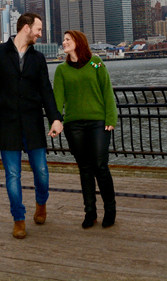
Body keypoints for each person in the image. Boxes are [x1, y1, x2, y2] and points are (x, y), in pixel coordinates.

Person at [0, 12, 63, 239]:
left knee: (42, 171)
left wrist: (56, 118)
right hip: (7, 123)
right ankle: (18, 219)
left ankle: (41, 203)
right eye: (38, 28)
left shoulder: (38, 59)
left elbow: (46, 90)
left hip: (34, 122)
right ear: (26, 27)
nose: (40, 33)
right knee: (13, 175)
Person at [53, 30, 118, 229]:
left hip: (98, 122)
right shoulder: (61, 70)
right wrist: (55, 122)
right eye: (63, 39)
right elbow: (57, 100)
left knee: (100, 165)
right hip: (74, 126)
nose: (63, 42)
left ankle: (110, 209)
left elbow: (107, 91)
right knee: (85, 168)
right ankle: (90, 212)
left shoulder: (96, 62)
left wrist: (110, 117)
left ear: (78, 42)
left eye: (67, 39)